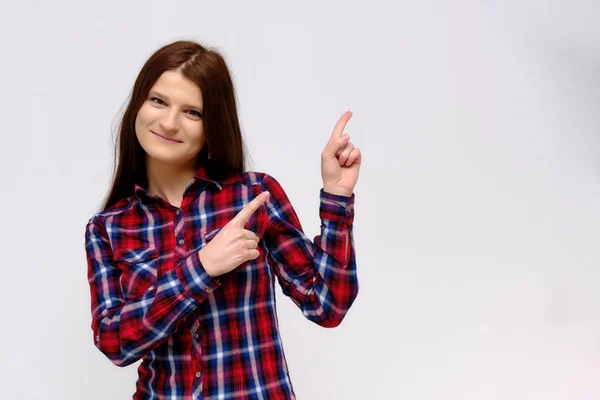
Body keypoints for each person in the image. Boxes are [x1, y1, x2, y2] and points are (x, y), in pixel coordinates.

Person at [84, 39, 361, 400]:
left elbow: (328, 304)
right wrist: (201, 268)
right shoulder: (108, 228)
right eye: (158, 101)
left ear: (212, 124)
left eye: (192, 112)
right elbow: (114, 343)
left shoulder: (254, 195)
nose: (169, 122)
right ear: (138, 104)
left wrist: (337, 198)